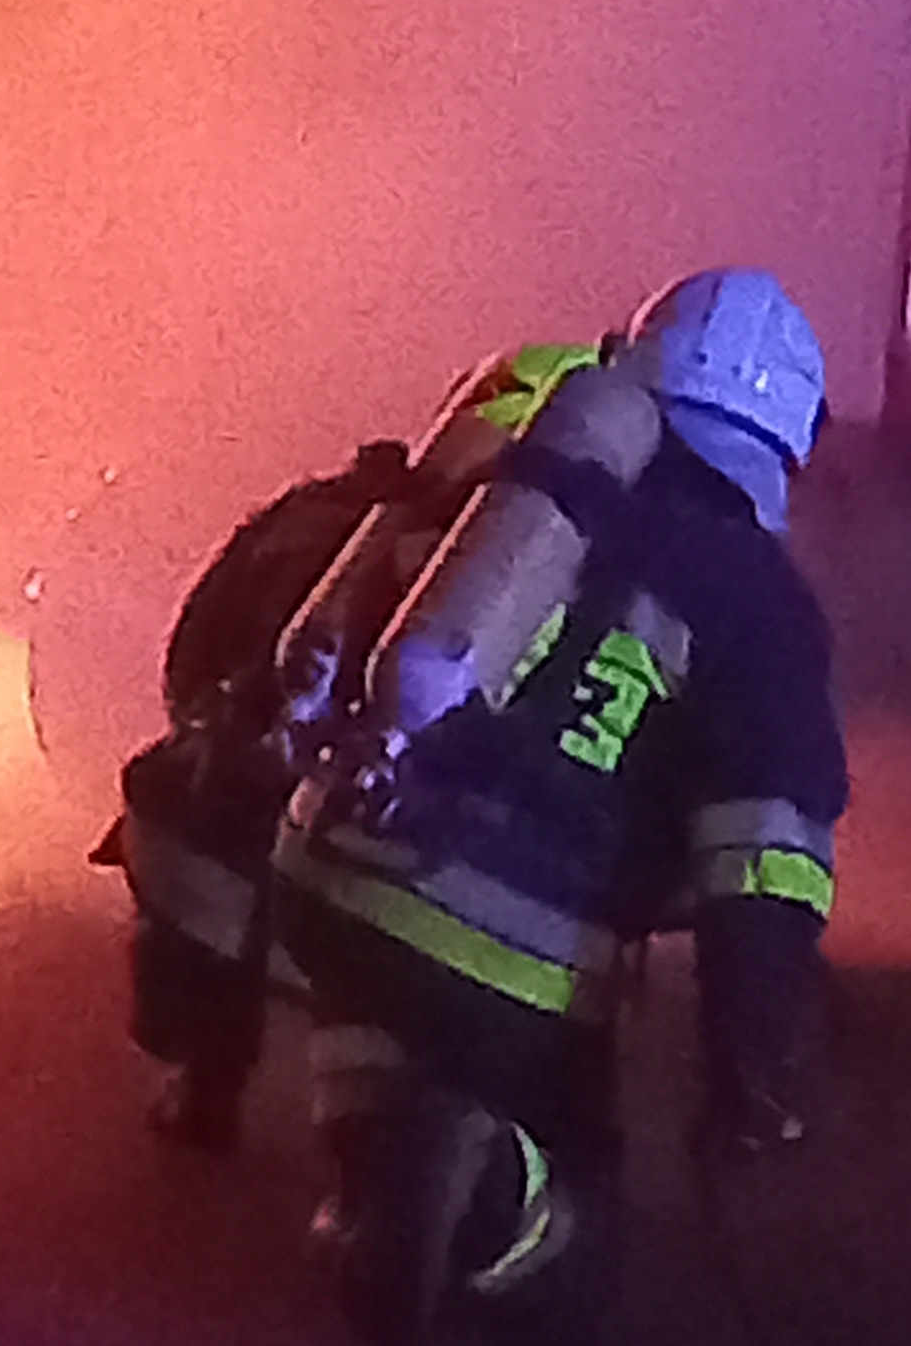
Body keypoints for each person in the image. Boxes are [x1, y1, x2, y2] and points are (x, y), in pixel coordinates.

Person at [267, 266, 847, 1343]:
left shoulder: (508, 482)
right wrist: (752, 1065)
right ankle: (498, 1185)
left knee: (385, 1011)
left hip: (329, 860)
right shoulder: (759, 599)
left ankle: (385, 1158)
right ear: (783, 439)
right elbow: (766, 858)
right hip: (507, 942)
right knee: (578, 1232)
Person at [99, 342, 600, 1150]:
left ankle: (204, 1079)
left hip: (234, 860)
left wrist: (232, 745)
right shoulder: (587, 575)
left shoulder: (324, 517)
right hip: (437, 901)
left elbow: (191, 661)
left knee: (189, 809)